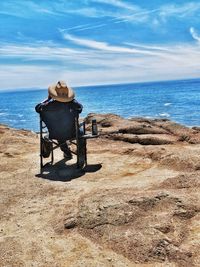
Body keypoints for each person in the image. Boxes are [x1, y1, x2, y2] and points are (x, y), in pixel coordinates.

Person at [35, 81, 83, 160]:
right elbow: (80, 108)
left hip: (54, 134)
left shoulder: (47, 106)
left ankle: (67, 153)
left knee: (59, 132)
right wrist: (72, 100)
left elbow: (37, 107)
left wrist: (47, 99)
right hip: (73, 133)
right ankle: (81, 154)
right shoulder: (72, 104)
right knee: (81, 132)